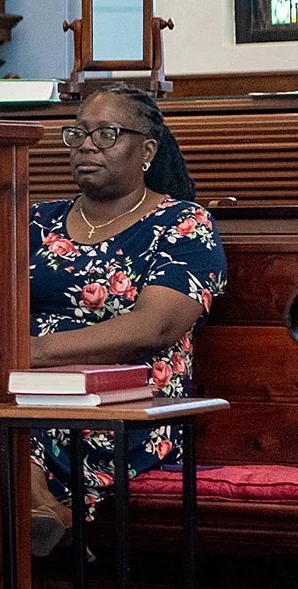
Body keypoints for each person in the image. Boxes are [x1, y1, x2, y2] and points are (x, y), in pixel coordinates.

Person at [26, 83, 227, 554]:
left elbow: (153, 327)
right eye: (78, 134)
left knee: (23, 413)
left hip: (132, 404)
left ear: (147, 151)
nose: (87, 146)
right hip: (26, 386)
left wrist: (32, 352)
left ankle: (38, 509)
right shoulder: (35, 222)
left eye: (107, 134)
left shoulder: (183, 224)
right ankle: (44, 515)